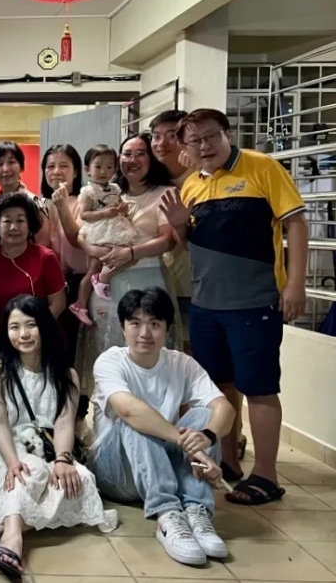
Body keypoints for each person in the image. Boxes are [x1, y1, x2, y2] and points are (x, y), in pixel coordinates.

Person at [162, 108, 307, 504]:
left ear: (227, 134)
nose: (204, 146)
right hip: (206, 305)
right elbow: (187, 246)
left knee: (258, 388)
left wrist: (295, 284)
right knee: (219, 388)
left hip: (254, 301)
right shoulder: (192, 185)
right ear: (187, 147)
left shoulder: (262, 168)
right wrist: (178, 223)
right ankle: (228, 462)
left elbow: (296, 223)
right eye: (195, 141)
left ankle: (266, 475)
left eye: (211, 137)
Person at [0, 296, 115, 579]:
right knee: (28, 472)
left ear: (44, 327)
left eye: (30, 325)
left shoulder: (66, 375)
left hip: (49, 449)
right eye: (14, 327)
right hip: (4, 447)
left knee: (78, 481)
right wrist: (12, 461)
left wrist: (63, 460)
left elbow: (63, 424)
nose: (22, 334)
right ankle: (13, 539)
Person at [92, 287, 234, 566]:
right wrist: (186, 443)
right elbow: (129, 411)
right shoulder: (109, 361)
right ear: (123, 328)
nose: (144, 333)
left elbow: (224, 408)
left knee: (203, 416)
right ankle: (167, 515)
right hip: (116, 472)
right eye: (135, 323)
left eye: (154, 324)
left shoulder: (183, 364)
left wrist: (206, 437)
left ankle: (195, 510)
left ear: (167, 329)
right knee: (134, 422)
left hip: (161, 463)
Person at [53, 133, 180, 399]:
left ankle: (149, 427)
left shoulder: (165, 193)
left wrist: (131, 253)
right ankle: (109, 425)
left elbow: (168, 240)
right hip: (106, 285)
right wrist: (92, 249)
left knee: (147, 352)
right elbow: (80, 234)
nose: (132, 160)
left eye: (140, 153)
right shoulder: (104, 193)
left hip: (147, 279)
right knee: (107, 353)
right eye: (127, 154)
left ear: (152, 158)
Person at [0, 192, 66, 359]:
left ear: (30, 225)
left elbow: (58, 303)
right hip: (1, 335)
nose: (13, 227)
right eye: (7, 221)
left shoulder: (46, 257)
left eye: (20, 220)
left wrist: (33, 329)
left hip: (41, 332)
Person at [39, 145, 90, 423]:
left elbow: (75, 238)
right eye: (50, 166)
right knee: (57, 350)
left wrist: (61, 204)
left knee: (78, 351)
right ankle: (55, 412)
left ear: (76, 171)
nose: (56, 171)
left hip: (82, 283)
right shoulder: (41, 205)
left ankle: (78, 416)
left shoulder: (85, 199)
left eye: (64, 166)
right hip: (53, 285)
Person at [68, 144, 142, 325]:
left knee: (127, 257)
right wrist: (104, 214)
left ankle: (102, 280)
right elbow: (84, 215)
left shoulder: (115, 188)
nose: (104, 171)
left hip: (115, 228)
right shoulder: (89, 191)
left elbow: (118, 209)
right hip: (99, 231)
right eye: (98, 167)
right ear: (87, 170)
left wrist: (122, 210)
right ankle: (80, 303)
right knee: (94, 267)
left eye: (109, 167)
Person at [149, 110, 196, 354]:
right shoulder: (151, 183)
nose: (161, 143)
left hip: (195, 288)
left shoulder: (202, 176)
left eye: (171, 135)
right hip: (159, 285)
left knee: (199, 362)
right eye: (156, 136)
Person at [0, 140, 51, 246]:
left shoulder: (36, 203)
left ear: (21, 167)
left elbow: (42, 246)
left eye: (11, 162)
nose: (5, 169)